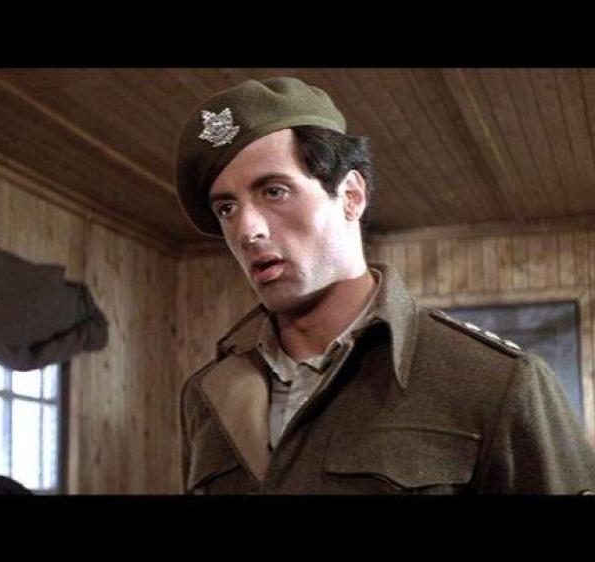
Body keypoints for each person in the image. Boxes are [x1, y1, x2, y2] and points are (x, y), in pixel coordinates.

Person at [174, 76, 595, 494]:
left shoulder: (497, 383)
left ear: (351, 195)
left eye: (274, 191)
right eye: (226, 208)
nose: (247, 230)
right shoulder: (207, 394)